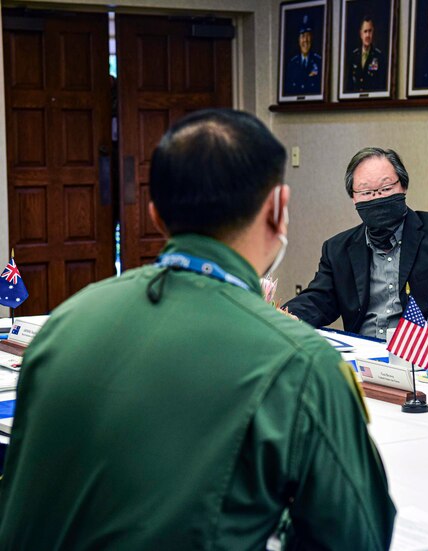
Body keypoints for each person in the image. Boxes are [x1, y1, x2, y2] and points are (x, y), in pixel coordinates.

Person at [0, 110, 395, 550]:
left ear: (156, 216)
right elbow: (358, 537)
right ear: (278, 210)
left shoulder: (65, 323)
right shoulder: (300, 361)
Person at [285, 147, 428, 357]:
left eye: (386, 188)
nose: (376, 198)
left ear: (403, 186)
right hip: (364, 362)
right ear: (353, 198)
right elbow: (318, 299)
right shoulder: (338, 249)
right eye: (366, 192)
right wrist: (285, 316)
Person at [284, 14, 323, 96]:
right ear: (298, 40)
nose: (305, 40)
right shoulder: (292, 64)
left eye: (308, 36)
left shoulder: (319, 62)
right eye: (302, 36)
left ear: (312, 38)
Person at [348, 15, 386, 92]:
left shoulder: (379, 56)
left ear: (373, 32)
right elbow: (349, 84)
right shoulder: (353, 56)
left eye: (370, 31)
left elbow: (381, 84)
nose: (368, 35)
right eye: (365, 31)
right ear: (361, 34)